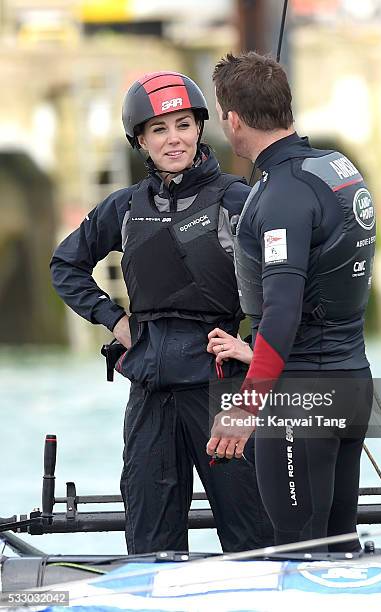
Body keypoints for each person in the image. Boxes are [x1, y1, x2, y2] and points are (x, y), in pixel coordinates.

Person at [50, 71, 273, 554]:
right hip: (150, 392)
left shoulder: (239, 200)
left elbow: (289, 286)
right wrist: (113, 319)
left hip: (221, 391)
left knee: (255, 538)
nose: (173, 139)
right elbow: (65, 265)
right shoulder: (125, 207)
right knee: (149, 544)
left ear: (199, 129)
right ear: (141, 141)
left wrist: (254, 346)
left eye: (182, 125)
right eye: (159, 129)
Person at [207, 52, 376, 551]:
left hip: (301, 396)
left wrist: (246, 405)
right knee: (340, 554)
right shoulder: (336, 168)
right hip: (351, 382)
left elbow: (284, 310)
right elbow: (328, 286)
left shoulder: (283, 193)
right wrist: (253, 350)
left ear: (232, 119)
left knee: (297, 554)